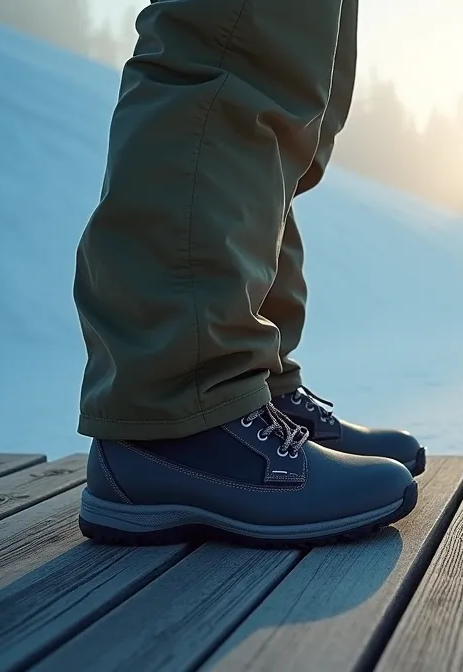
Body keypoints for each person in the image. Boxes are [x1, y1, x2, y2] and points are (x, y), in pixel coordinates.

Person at [72, 0, 422, 547]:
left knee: (296, 93)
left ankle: (250, 387)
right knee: (233, 55)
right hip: (175, 411)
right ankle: (183, 410)